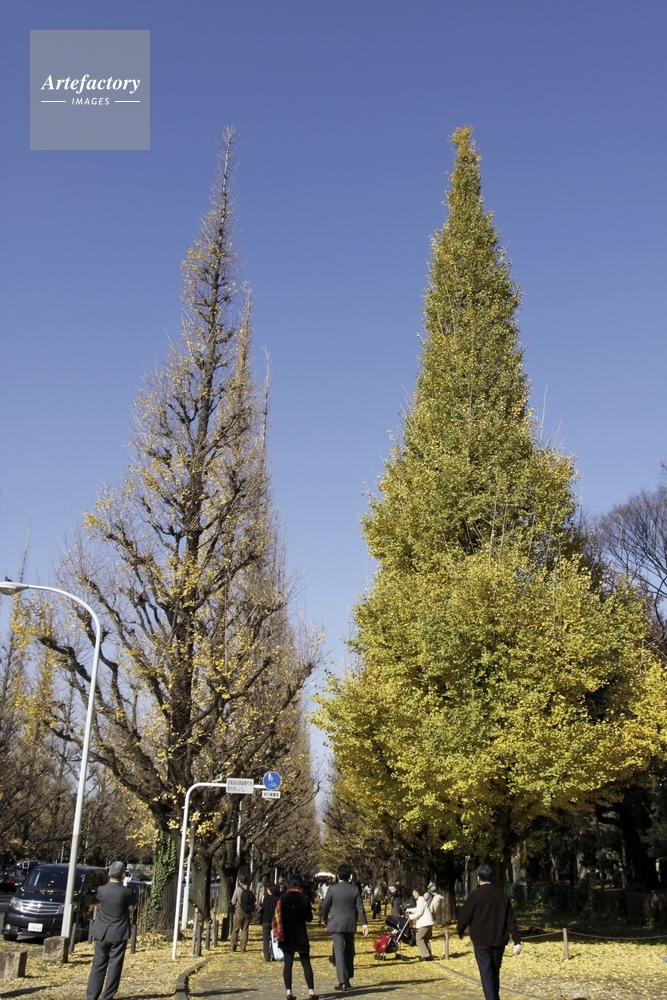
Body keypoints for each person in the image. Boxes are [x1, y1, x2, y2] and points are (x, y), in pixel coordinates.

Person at [456, 864, 522, 1000]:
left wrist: (460, 931)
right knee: (494, 972)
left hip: (481, 941)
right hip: (499, 941)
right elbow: (511, 920)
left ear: (478, 878)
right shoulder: (502, 896)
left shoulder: (475, 895)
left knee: (486, 973)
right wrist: (516, 940)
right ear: (492, 878)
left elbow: (464, 916)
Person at [86, 860, 135, 1000]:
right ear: (123, 875)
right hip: (118, 932)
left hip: (101, 931)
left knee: (98, 964)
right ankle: (107, 995)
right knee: (115, 965)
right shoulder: (126, 892)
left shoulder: (102, 890)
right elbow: (133, 902)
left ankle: (92, 995)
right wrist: (127, 886)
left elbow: (99, 898)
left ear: (109, 874)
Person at [320, 862, 369, 992]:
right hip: (350, 923)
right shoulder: (354, 889)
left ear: (338, 875)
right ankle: (347, 978)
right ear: (349, 876)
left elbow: (325, 906)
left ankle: (342, 982)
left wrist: (324, 918)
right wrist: (364, 924)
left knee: (339, 952)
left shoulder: (333, 889)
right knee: (349, 951)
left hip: (336, 924)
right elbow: (360, 908)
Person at [277, 874, 318, 1000]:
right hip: (301, 934)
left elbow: (278, 916)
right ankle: (311, 992)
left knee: (288, 964)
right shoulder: (304, 898)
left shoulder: (283, 898)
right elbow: (309, 918)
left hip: (286, 934)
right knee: (306, 963)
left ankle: (289, 992)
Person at [405, 887, 434, 960]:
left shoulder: (421, 899)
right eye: (413, 892)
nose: (414, 894)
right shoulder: (420, 900)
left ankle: (425, 955)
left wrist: (411, 917)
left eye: (416, 892)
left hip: (425, 923)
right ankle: (429, 955)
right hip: (428, 922)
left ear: (419, 893)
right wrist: (409, 910)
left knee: (419, 938)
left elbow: (420, 912)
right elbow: (418, 909)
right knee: (425, 939)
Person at [229, 877, 255, 953]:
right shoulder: (251, 889)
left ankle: (233, 946)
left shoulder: (237, 889)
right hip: (248, 911)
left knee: (235, 928)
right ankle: (243, 948)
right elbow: (254, 900)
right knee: (245, 929)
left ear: (240, 881)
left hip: (239, 910)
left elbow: (233, 901)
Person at [261, 883, 281, 962]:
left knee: (265, 939)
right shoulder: (278, 899)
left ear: (269, 890)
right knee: (274, 938)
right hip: (275, 920)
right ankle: (274, 954)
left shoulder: (265, 898)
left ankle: (266, 956)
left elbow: (262, 907)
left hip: (266, 919)